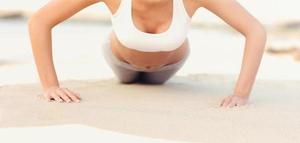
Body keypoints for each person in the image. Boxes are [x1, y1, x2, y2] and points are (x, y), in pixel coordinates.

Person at [28, 0, 267, 108]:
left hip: (168, 68)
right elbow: (39, 21)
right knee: (129, 82)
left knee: (153, 84)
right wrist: (50, 86)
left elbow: (255, 30)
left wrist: (241, 94)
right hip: (120, 62)